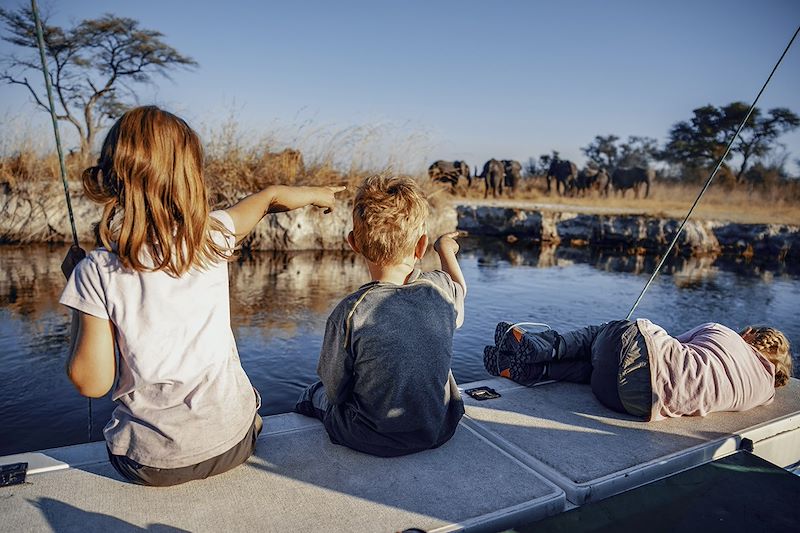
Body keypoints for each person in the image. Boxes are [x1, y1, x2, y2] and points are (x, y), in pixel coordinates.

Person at [60, 106, 345, 486]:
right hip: (235, 443)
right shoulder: (213, 236)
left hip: (151, 466)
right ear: (189, 176)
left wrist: (80, 296)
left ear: (114, 176)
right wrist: (318, 194)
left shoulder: (97, 270)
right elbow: (267, 199)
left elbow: (91, 383)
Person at [294, 174, 467, 457]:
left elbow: (336, 391)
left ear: (353, 243)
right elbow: (460, 287)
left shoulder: (350, 312)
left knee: (316, 393)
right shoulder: (441, 290)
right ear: (421, 246)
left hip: (371, 437)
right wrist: (445, 250)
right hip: (439, 428)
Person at [484, 319, 792, 420]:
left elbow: (668, 344)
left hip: (632, 353)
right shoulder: (765, 393)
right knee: (597, 371)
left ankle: (548, 347)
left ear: (749, 335)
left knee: (607, 334)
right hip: (631, 402)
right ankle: (542, 372)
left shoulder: (722, 332)